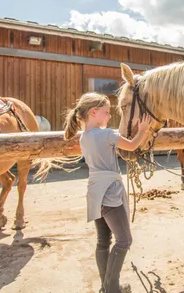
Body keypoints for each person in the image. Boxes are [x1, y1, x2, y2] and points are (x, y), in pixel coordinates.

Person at [64, 92, 152, 293]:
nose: (109, 116)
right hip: (111, 192)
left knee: (103, 242)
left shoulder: (84, 137)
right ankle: (112, 289)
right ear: (94, 112)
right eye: (106, 112)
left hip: (95, 191)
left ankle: (108, 286)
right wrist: (143, 130)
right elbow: (131, 146)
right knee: (124, 240)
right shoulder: (107, 134)